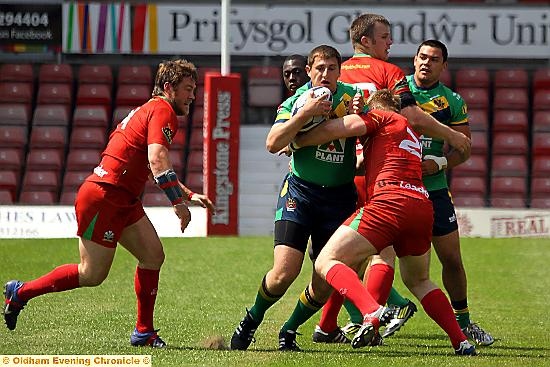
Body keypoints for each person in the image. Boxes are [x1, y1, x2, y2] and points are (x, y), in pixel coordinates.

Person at [2, 59, 215, 348]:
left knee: (153, 255)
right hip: (104, 196)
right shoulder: (163, 110)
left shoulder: (150, 109)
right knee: (91, 274)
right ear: (168, 88)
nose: (193, 95)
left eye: (194, 89)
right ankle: (20, 292)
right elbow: (157, 160)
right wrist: (178, 203)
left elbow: (150, 166)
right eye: (188, 89)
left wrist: (188, 195)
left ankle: (144, 332)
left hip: (121, 197)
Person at [314, 12, 472, 342]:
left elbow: (326, 115)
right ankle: (370, 318)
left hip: (341, 173)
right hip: (393, 188)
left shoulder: (334, 72)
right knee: (382, 259)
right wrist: (454, 138)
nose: (391, 43)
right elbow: (411, 114)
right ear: (366, 41)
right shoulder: (389, 76)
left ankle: (331, 325)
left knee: (347, 259)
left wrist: (299, 138)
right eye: (385, 37)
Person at [293, 89, 477, 356]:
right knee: (420, 280)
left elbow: (338, 129)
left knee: (326, 261)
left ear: (376, 108)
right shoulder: (411, 133)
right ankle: (461, 341)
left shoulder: (380, 117)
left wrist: (300, 140)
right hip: (421, 205)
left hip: (389, 202)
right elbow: (366, 162)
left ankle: (371, 311)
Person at [230, 45, 364, 351]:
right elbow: (272, 142)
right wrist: (304, 114)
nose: (326, 74)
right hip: (300, 195)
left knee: (325, 279)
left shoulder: (352, 97)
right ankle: (252, 318)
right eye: (320, 68)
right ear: (309, 71)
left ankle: (289, 330)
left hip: (340, 199)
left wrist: (363, 112)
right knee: (284, 273)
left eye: (332, 68)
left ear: (340, 71)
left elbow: (372, 130)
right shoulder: (296, 101)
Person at [382, 39, 493, 345]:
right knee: (379, 256)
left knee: (452, 259)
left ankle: (465, 322)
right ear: (413, 59)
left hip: (434, 191)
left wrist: (441, 162)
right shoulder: (396, 91)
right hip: (393, 188)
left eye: (433, 59)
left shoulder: (452, 101)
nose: (425, 63)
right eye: (421, 57)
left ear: (444, 66)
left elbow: (464, 147)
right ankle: (376, 315)